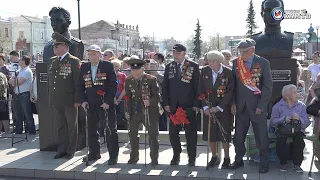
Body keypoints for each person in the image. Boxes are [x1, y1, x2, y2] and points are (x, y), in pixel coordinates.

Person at [230, 39, 273, 173]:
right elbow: (232, 86)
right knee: (238, 136)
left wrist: (261, 105)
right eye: (240, 52)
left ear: (252, 50)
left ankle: (264, 162)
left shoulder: (263, 63)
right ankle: (238, 160)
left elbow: (267, 87)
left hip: (257, 107)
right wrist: (232, 103)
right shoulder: (236, 63)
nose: (241, 54)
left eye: (244, 52)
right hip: (241, 106)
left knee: (261, 136)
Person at [76, 44, 118, 165]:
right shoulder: (84, 67)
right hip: (90, 104)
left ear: (100, 55)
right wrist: (83, 100)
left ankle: (113, 156)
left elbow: (113, 85)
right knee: (92, 130)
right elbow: (80, 85)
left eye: (94, 54)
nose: (91, 56)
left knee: (110, 130)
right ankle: (94, 153)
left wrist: (108, 102)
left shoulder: (107, 66)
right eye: (89, 54)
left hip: (105, 104)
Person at [162, 44, 200, 166]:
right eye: (174, 53)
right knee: (173, 133)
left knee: (191, 134)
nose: (175, 55)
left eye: (178, 53)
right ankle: (176, 155)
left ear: (184, 53)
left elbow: (197, 87)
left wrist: (196, 104)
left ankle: (192, 157)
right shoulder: (170, 67)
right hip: (174, 106)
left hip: (189, 106)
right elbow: (165, 87)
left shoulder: (193, 66)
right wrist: (166, 104)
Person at [47, 33, 81, 159]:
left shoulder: (73, 61)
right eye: (54, 46)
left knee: (72, 126)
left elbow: (78, 82)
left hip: (70, 100)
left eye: (57, 45)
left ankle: (71, 150)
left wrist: (78, 99)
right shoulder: (51, 61)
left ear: (65, 47)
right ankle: (61, 149)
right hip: (57, 100)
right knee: (60, 126)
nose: (54, 48)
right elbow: (51, 82)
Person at [199, 50, 234, 169]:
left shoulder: (228, 72)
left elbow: (230, 92)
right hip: (209, 107)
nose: (210, 63)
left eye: (213, 61)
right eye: (209, 60)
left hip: (223, 108)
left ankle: (227, 158)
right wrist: (205, 106)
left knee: (224, 133)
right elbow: (201, 90)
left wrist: (219, 107)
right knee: (211, 134)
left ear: (219, 61)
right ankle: (214, 156)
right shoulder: (204, 71)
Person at [124, 56, 162, 165]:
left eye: (137, 70)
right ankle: (134, 157)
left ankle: (154, 159)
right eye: (133, 70)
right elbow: (128, 97)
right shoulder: (128, 80)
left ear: (142, 69)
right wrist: (127, 110)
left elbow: (158, 96)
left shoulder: (151, 79)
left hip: (150, 112)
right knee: (132, 135)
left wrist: (150, 101)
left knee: (153, 135)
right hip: (134, 111)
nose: (135, 73)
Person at [270, 84, 310, 173]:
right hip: (283, 130)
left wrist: (300, 119)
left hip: (297, 130)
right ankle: (283, 163)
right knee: (280, 141)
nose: (297, 94)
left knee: (299, 140)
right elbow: (272, 122)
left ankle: (297, 164)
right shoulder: (278, 106)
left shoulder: (301, 106)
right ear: (288, 96)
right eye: (295, 92)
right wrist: (283, 119)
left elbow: (307, 122)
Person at [9, 55, 36, 135]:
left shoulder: (27, 71)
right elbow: (11, 80)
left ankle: (31, 130)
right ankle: (19, 130)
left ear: (24, 61)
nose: (19, 61)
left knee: (27, 113)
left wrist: (13, 81)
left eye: (20, 60)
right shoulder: (20, 70)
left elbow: (18, 82)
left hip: (25, 95)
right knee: (17, 114)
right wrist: (13, 81)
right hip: (17, 94)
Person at [145, 59, 167, 131]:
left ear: (157, 66)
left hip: (160, 101)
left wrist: (156, 75)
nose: (151, 67)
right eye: (150, 65)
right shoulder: (145, 76)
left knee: (162, 119)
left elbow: (164, 86)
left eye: (153, 65)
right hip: (149, 101)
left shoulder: (161, 77)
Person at [0, 54, 10, 133]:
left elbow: (4, 85)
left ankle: (6, 130)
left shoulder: (5, 70)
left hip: (2, 97)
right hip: (3, 96)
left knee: (3, 114)